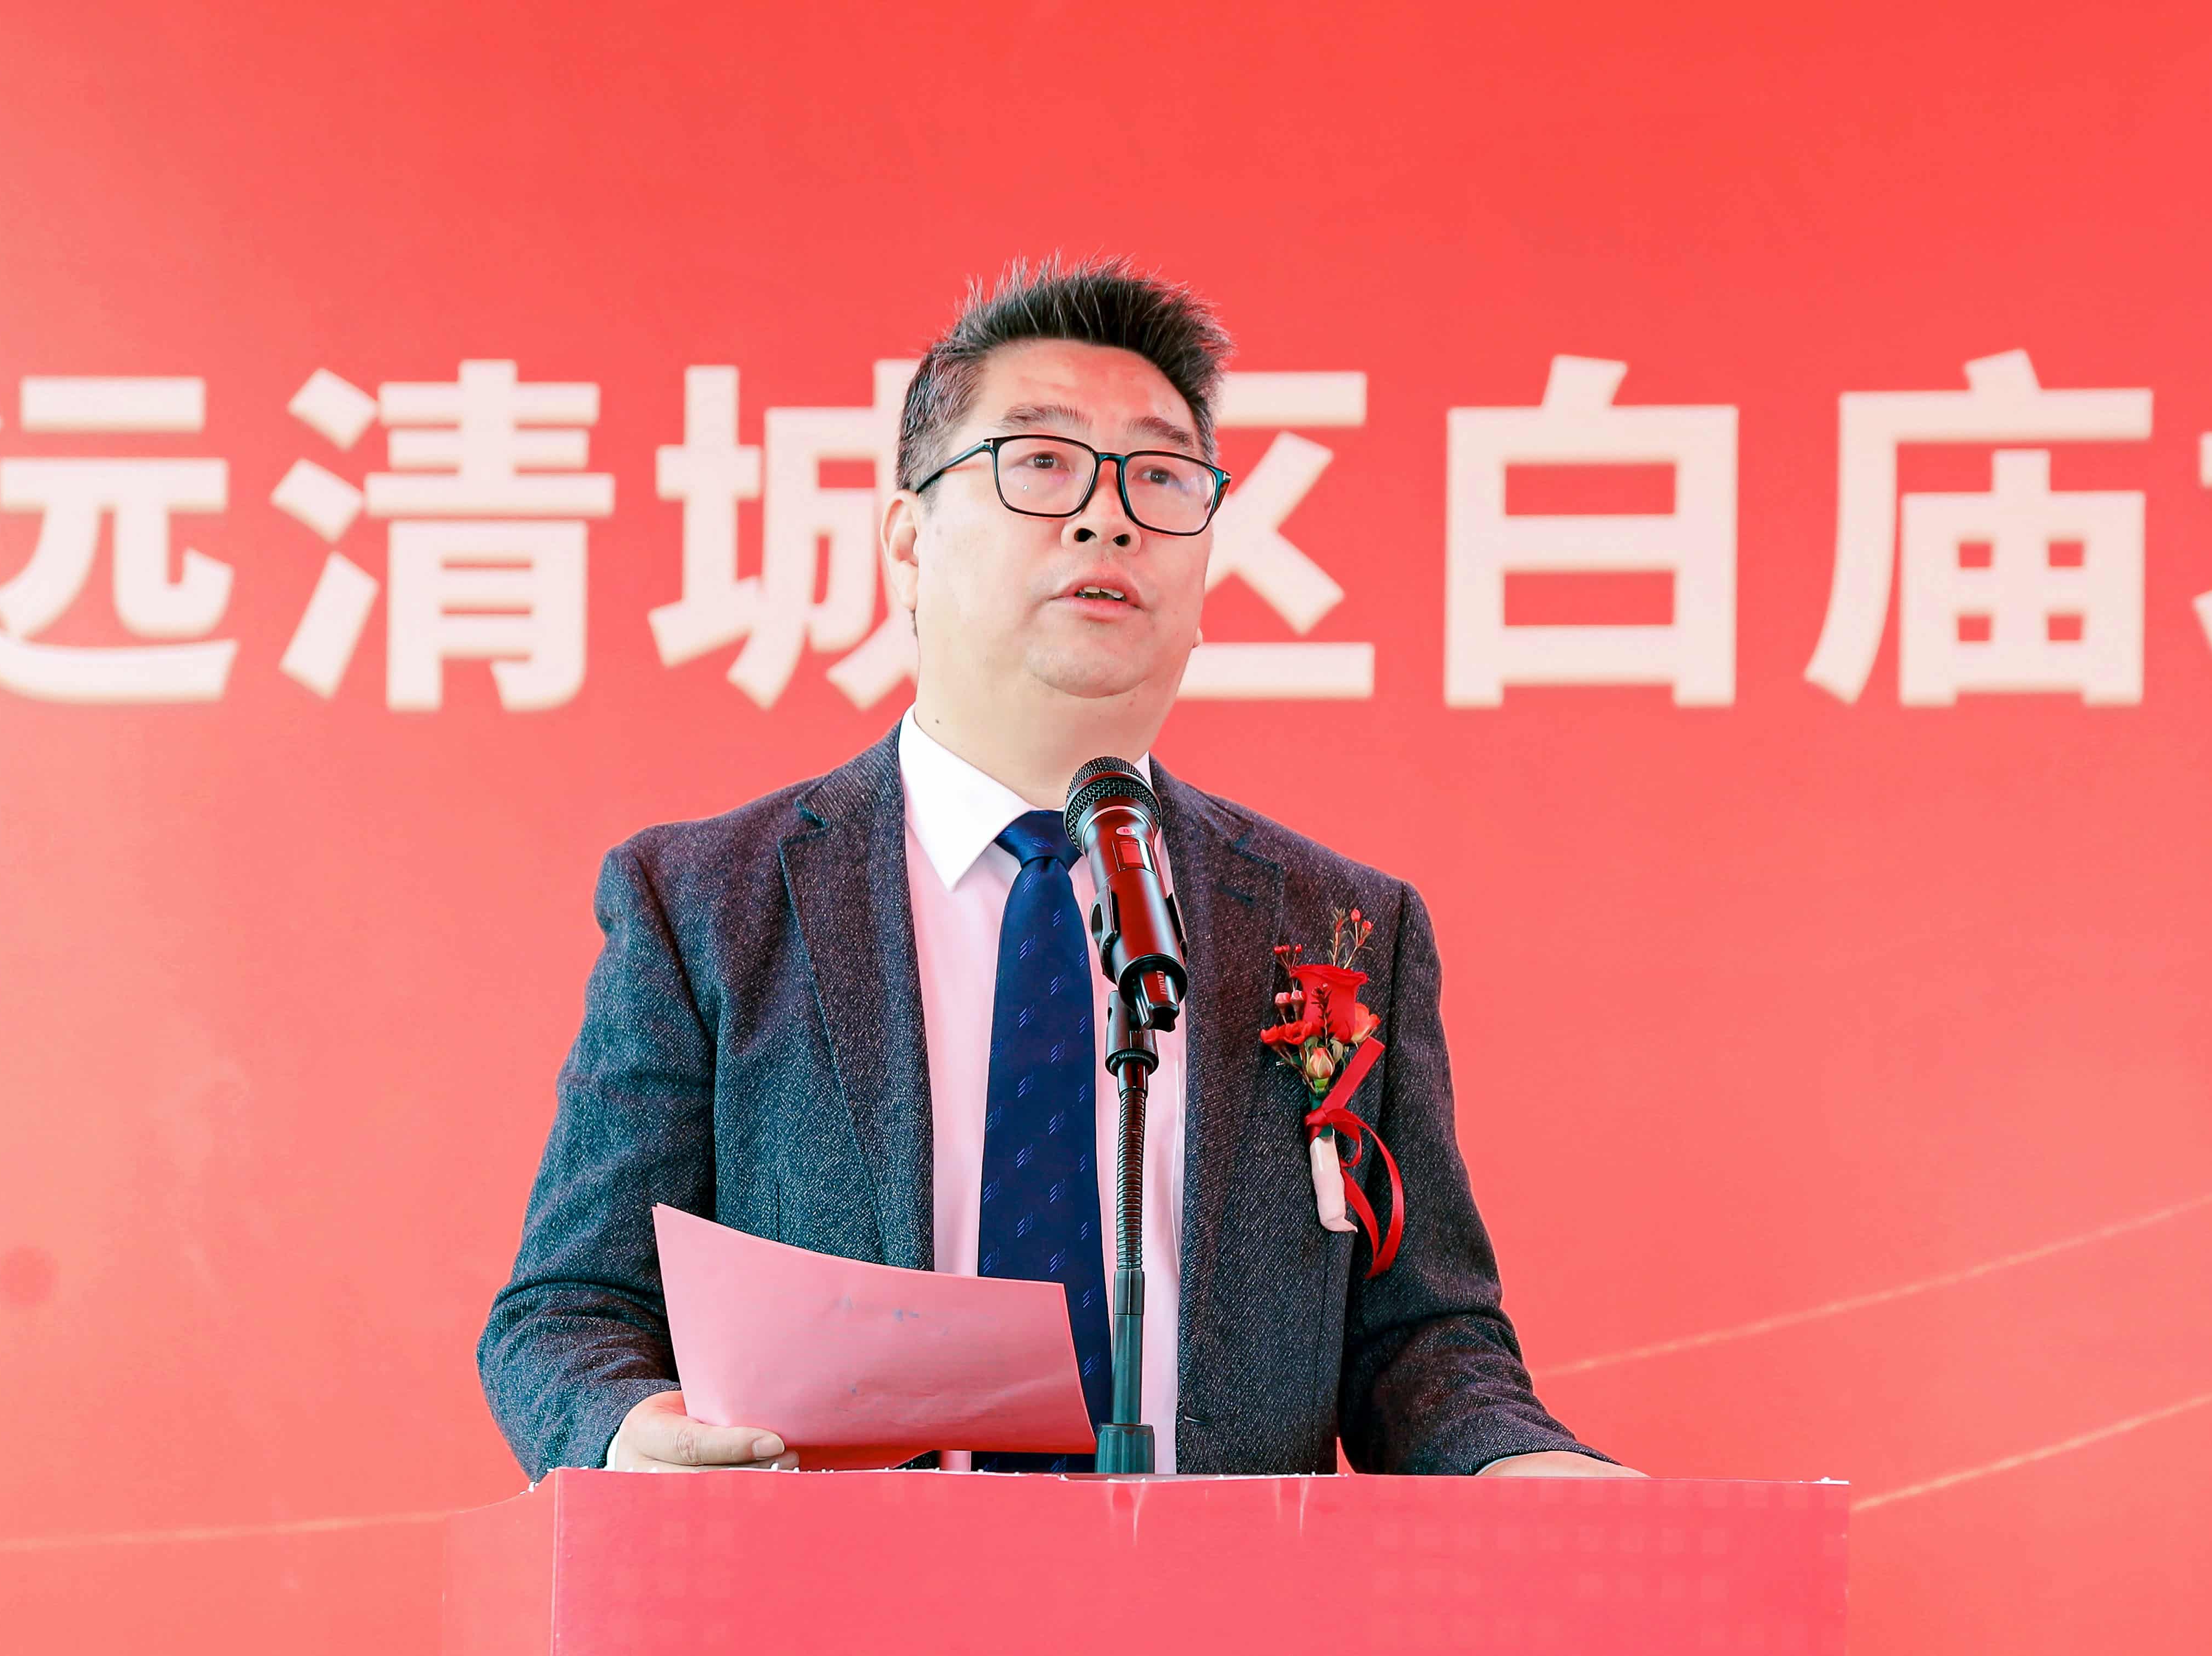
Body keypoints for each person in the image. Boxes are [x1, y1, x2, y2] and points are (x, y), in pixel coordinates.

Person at [479, 256, 1624, 1480]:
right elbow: (569, 1312)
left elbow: (1422, 1347)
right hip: (832, 1587)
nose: (1107, 516)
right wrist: (629, 1433)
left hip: (1221, 1597)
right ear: (908, 544)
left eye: (1162, 476)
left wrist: (1524, 1469)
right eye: (1040, 462)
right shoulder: (712, 906)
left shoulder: (1341, 927)